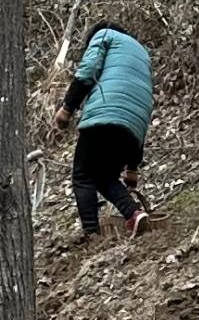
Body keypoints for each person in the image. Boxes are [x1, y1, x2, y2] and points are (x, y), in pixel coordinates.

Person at [59, 14, 154, 239]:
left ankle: (91, 232)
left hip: (105, 113)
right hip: (134, 127)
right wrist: (133, 166)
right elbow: (139, 104)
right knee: (105, 177)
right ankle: (134, 214)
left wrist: (67, 108)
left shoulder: (104, 35)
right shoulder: (142, 54)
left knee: (83, 175)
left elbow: (87, 72)